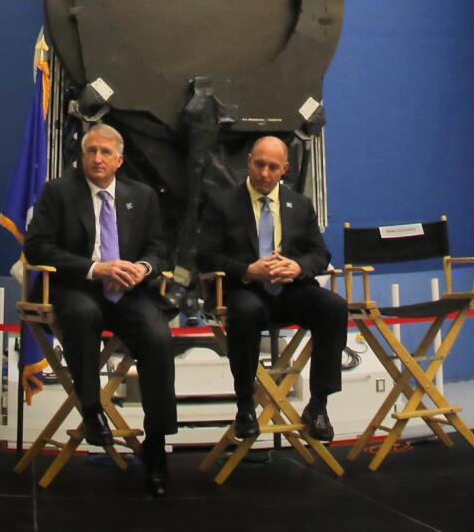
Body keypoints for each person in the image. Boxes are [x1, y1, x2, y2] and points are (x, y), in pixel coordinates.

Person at [24, 123, 176, 497]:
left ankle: (156, 445)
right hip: (77, 286)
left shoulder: (141, 197)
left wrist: (143, 268)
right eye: (91, 151)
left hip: (128, 292)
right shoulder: (58, 192)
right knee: (81, 315)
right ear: (82, 155)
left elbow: (159, 249)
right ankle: (92, 410)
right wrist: (96, 268)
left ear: (119, 160)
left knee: (158, 337)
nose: (97, 158)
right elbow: (38, 247)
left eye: (106, 152)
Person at [196, 136, 348, 442]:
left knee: (334, 306)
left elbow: (320, 254)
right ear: (249, 162)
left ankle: (318, 406)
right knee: (245, 310)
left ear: (285, 170)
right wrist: (248, 270)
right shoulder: (222, 203)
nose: (265, 173)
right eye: (259, 164)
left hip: (290, 291)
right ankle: (245, 406)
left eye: (273, 167)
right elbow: (205, 255)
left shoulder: (300, 205)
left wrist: (297, 266)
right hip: (244, 290)